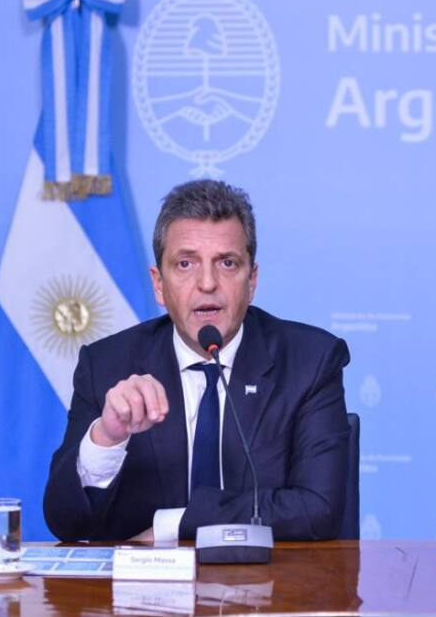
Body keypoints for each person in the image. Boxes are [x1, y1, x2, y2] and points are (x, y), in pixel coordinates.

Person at [44, 180, 350, 542]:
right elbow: (66, 522)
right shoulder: (108, 365)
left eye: (228, 263)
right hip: (143, 594)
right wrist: (107, 438)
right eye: (186, 264)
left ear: (252, 281)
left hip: (271, 589)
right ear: (159, 285)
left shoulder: (309, 361)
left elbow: (319, 510)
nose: (207, 283)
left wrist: (172, 525)